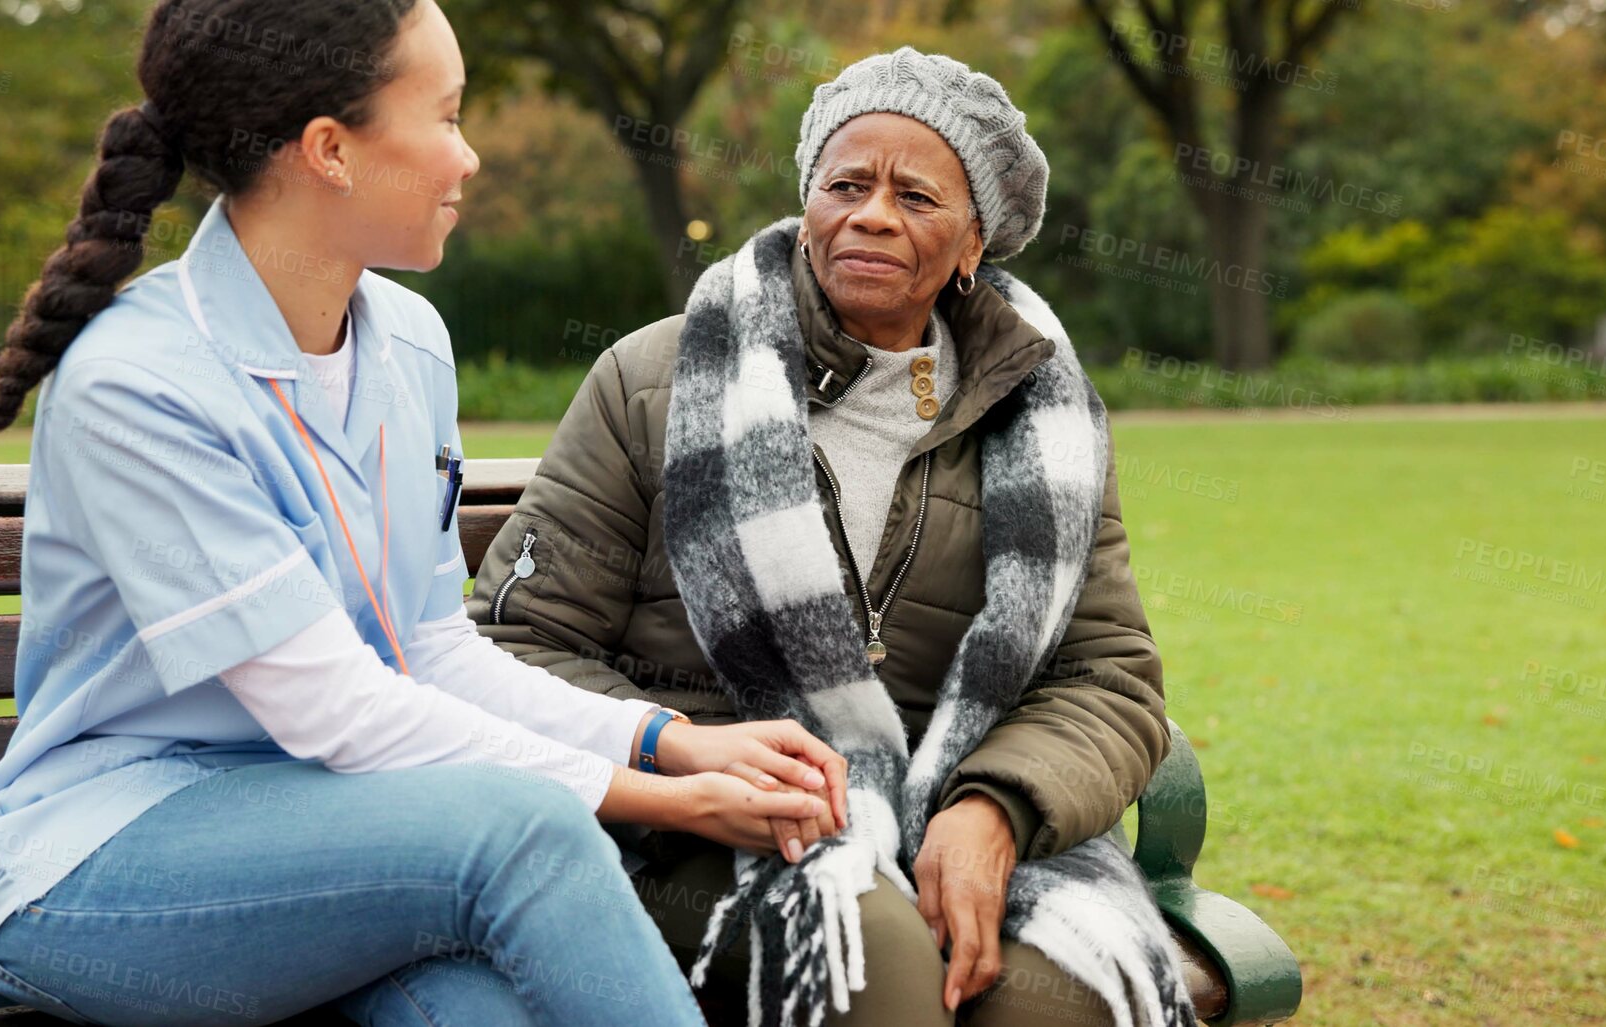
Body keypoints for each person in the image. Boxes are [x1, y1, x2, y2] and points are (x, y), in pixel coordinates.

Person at [0, 2, 845, 1024]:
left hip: (343, 835)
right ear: (329, 150)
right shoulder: (137, 385)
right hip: (100, 863)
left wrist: (666, 738)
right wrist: (665, 799)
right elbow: (336, 709)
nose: (471, 158)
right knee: (529, 828)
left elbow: (426, 647)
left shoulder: (408, 342)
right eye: (447, 117)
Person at [469, 47, 1198, 1027]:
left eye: (917, 196)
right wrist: (696, 754)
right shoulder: (656, 378)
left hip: (960, 815)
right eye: (845, 184)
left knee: (1052, 1000)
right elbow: (518, 645)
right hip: (699, 824)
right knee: (878, 965)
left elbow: (1107, 676)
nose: (872, 215)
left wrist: (995, 809)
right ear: (808, 202)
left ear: (974, 240)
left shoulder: (1045, 417)